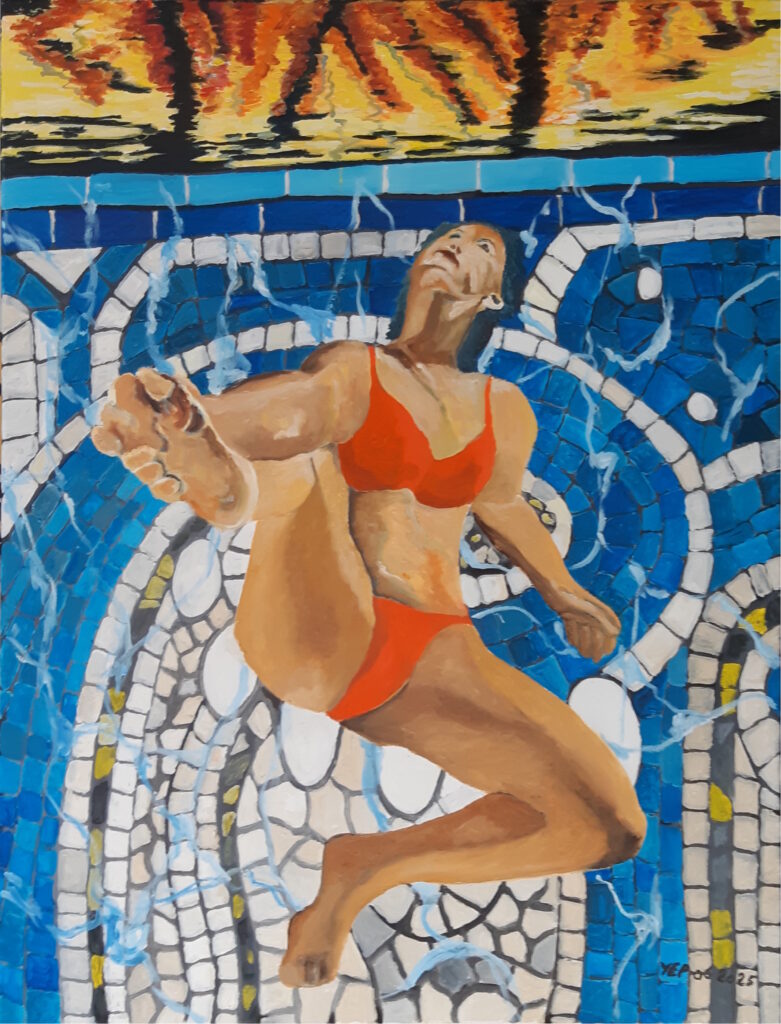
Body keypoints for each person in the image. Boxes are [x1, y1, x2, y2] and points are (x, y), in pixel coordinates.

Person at [92, 222, 646, 988]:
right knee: (309, 464)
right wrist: (197, 414)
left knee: (606, 824)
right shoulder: (355, 372)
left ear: (495, 294)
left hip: (441, 656)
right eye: (447, 237)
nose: (456, 244)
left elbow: (500, 503)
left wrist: (567, 593)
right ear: (417, 266)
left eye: (481, 246)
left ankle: (365, 868)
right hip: (332, 627)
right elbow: (298, 407)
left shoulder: (502, 407)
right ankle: (213, 463)